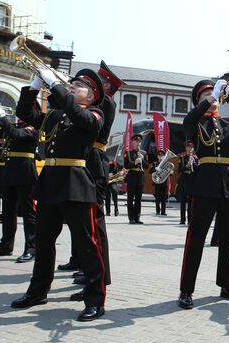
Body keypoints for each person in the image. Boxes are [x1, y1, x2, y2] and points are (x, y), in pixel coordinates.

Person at [10, 67, 107, 321]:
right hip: (50, 183)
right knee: (43, 243)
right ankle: (38, 291)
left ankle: (95, 299)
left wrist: (56, 85)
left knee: (87, 245)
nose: (73, 86)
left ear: (92, 95)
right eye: (71, 84)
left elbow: (79, 116)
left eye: (79, 86)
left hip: (76, 184)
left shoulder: (95, 114)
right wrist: (33, 86)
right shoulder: (56, 115)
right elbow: (24, 114)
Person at [178, 79, 229, 309]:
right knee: (196, 238)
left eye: (213, 95)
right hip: (205, 184)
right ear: (198, 101)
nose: (212, 99)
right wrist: (212, 97)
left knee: (227, 239)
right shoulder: (196, 122)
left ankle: (226, 284)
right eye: (205, 95)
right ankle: (186, 289)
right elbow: (188, 121)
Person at [60, 61, 122, 297]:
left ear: (105, 85)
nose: (88, 84)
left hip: (94, 161)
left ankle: (99, 276)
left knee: (95, 223)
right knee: (86, 222)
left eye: (98, 81)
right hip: (88, 159)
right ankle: (88, 269)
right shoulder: (102, 101)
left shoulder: (106, 102)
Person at [0, 113, 37, 262]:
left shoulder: (32, 128)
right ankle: (6, 245)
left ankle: (31, 247)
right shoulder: (15, 127)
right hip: (10, 172)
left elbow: (16, 134)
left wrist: (1, 116)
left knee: (28, 212)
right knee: (8, 212)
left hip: (25, 172)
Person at [124, 134, 147, 224]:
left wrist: (142, 159)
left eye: (139, 141)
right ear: (132, 142)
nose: (138, 143)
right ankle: (131, 218)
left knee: (138, 199)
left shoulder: (143, 153)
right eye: (136, 141)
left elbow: (146, 166)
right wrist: (135, 162)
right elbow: (126, 166)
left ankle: (137, 218)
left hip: (140, 177)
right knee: (130, 199)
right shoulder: (128, 153)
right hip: (132, 177)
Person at [177, 140, 196, 224]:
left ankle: (190, 219)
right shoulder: (182, 158)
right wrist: (186, 166)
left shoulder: (195, 158)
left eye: (191, 147)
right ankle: (182, 219)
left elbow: (197, 170)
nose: (190, 148)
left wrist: (194, 163)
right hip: (184, 179)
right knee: (183, 201)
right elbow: (179, 169)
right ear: (186, 148)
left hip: (191, 180)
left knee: (191, 202)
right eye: (188, 147)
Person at [150, 150, 169, 215]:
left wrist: (171, 172)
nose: (160, 156)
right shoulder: (155, 163)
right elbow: (150, 171)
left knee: (164, 198)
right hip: (157, 182)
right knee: (157, 197)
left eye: (162, 155)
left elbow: (169, 173)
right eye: (159, 155)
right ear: (157, 156)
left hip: (164, 182)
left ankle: (163, 211)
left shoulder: (166, 163)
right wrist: (155, 168)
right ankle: (158, 210)